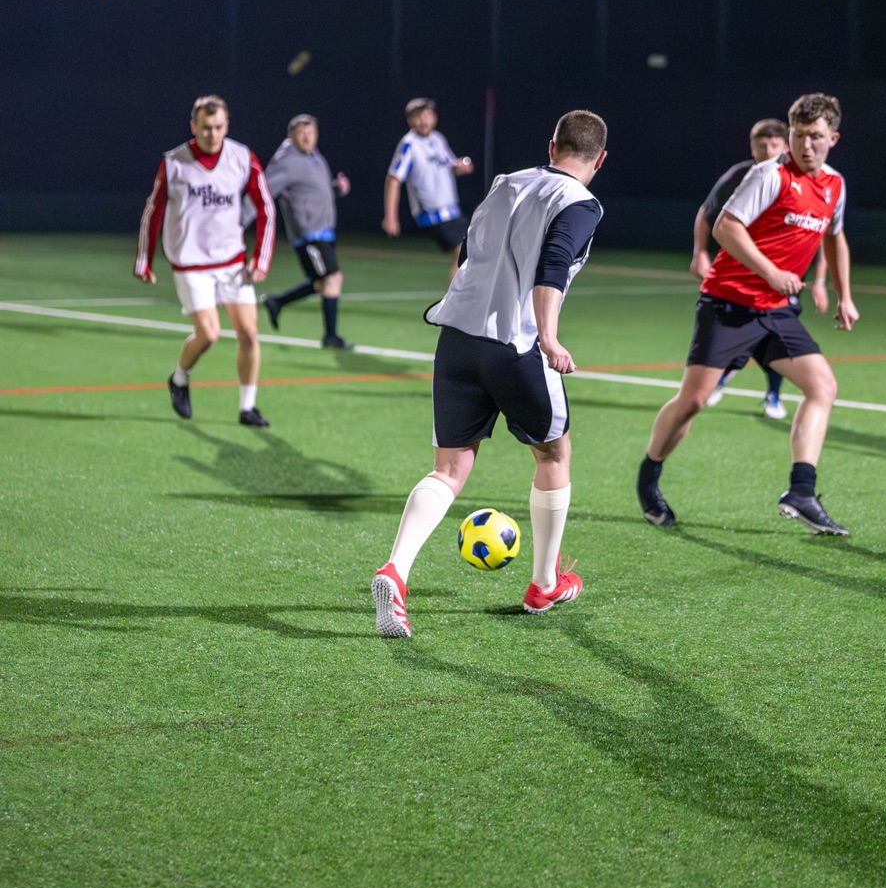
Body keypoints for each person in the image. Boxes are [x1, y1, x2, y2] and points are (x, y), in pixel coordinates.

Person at [372, 109, 607, 638]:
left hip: (456, 339)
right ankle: (544, 583)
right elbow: (554, 265)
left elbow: (467, 248)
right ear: (600, 159)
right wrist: (547, 337)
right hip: (516, 345)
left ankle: (395, 570)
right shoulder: (581, 203)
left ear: (552, 146)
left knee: (448, 471)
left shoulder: (506, 182)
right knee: (553, 452)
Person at [636, 92, 858, 536]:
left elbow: (835, 236)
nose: (806, 145)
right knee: (693, 402)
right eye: (798, 135)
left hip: (775, 312)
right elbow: (725, 226)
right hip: (728, 304)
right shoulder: (769, 174)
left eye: (815, 137)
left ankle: (801, 491)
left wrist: (842, 294)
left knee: (823, 386)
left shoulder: (834, 184)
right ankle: (649, 477)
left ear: (833, 138)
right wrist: (773, 271)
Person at [134, 94, 275, 426]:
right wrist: (145, 259)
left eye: (218, 127)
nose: (212, 134)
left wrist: (261, 259)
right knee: (209, 335)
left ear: (226, 126)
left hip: (232, 261)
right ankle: (180, 378)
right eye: (205, 128)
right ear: (193, 126)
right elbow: (153, 210)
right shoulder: (174, 162)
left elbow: (266, 207)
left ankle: (247, 407)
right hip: (191, 263)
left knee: (249, 334)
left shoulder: (242, 157)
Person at [692, 119, 829, 419]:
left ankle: (771, 395)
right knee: (751, 335)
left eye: (774, 145)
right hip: (740, 279)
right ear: (752, 146)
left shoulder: (807, 180)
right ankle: (722, 378)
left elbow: (822, 233)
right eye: (761, 144)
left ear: (785, 145)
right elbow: (707, 213)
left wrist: (820, 281)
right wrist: (699, 252)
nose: (767, 150)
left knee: (778, 340)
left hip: (786, 281)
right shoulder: (741, 175)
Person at [259, 114, 354, 349]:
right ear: (291, 135)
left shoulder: (314, 157)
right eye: (301, 132)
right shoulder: (286, 161)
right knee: (331, 279)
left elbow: (316, 192)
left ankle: (277, 302)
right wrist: (239, 220)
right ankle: (330, 337)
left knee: (325, 282)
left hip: (323, 231)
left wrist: (336, 189)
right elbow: (263, 192)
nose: (307, 137)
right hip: (309, 233)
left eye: (311, 132)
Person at [382, 97, 474, 279]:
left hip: (452, 212)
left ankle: (459, 302)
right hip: (432, 214)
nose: (424, 120)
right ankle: (454, 305)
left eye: (428, 115)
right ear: (409, 120)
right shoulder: (409, 145)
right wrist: (390, 217)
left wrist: (460, 168)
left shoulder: (438, 140)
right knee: (464, 252)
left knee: (475, 252)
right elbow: (393, 179)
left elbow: (450, 167)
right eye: (418, 116)